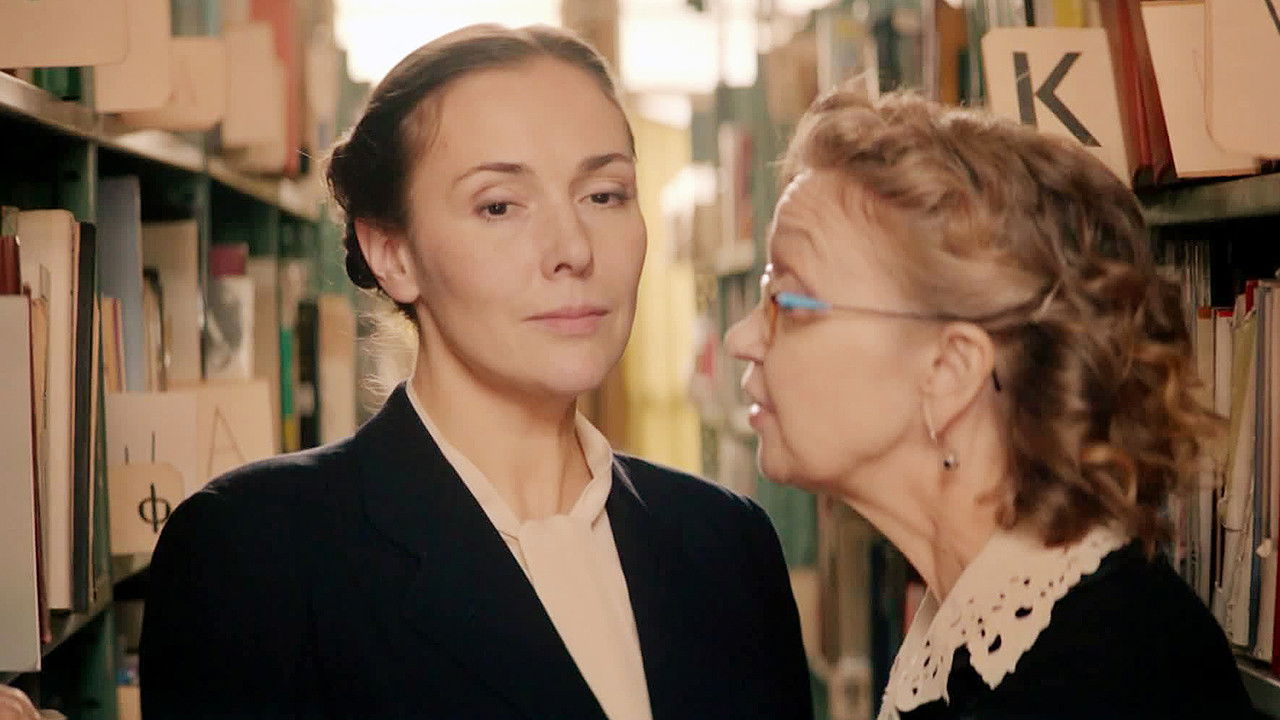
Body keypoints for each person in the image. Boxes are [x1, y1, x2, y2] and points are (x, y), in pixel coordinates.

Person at [140, 24, 812, 720]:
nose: (573, 249)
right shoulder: (254, 553)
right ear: (392, 253)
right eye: (499, 206)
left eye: (604, 195)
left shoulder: (728, 544)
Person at [726, 86, 1258, 720]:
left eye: (785, 301)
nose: (741, 338)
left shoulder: (1108, 679)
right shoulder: (982, 643)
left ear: (949, 369)